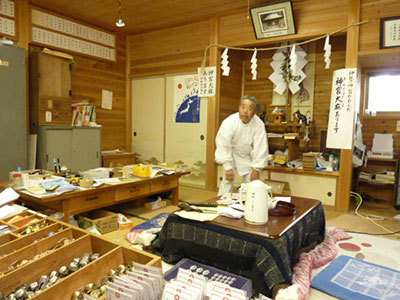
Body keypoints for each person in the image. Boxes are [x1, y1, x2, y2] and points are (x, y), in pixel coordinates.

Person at [215, 95, 269, 196]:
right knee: (227, 182)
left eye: (250, 108)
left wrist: (257, 169)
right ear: (239, 108)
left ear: (254, 112)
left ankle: (246, 206)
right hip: (230, 154)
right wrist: (227, 166)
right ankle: (221, 206)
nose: (245, 111)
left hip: (247, 156)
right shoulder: (229, 122)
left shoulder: (259, 124)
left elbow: (260, 146)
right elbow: (223, 143)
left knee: (251, 184)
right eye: (243, 107)